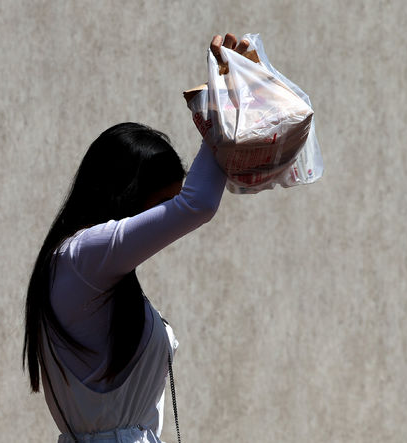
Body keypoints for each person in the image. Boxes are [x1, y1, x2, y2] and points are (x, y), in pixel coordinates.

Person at [23, 34, 251, 443]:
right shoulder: (83, 256)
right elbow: (197, 205)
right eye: (162, 203)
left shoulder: (90, 267)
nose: (165, 219)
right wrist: (226, 100)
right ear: (127, 193)